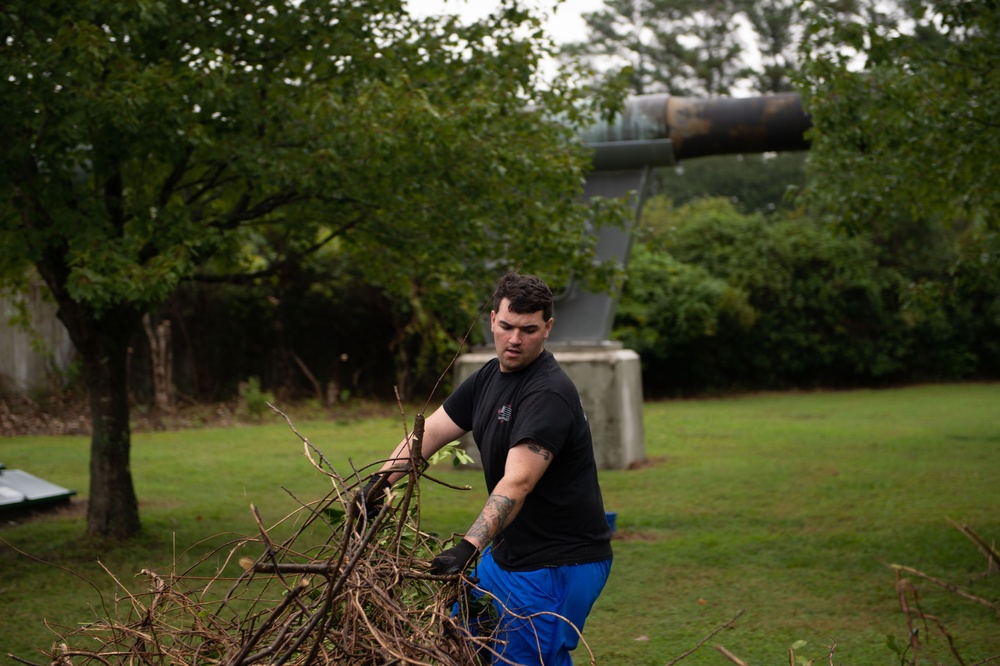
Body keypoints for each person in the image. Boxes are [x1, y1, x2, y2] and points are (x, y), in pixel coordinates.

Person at [359, 272, 613, 665]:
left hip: (558, 564)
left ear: (548, 329)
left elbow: (518, 481)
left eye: (528, 330)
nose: (514, 340)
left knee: (520, 660)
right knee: (461, 648)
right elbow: (430, 434)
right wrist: (377, 485)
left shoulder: (547, 393)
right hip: (507, 555)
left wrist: (467, 546)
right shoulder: (488, 378)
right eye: (507, 326)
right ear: (493, 319)